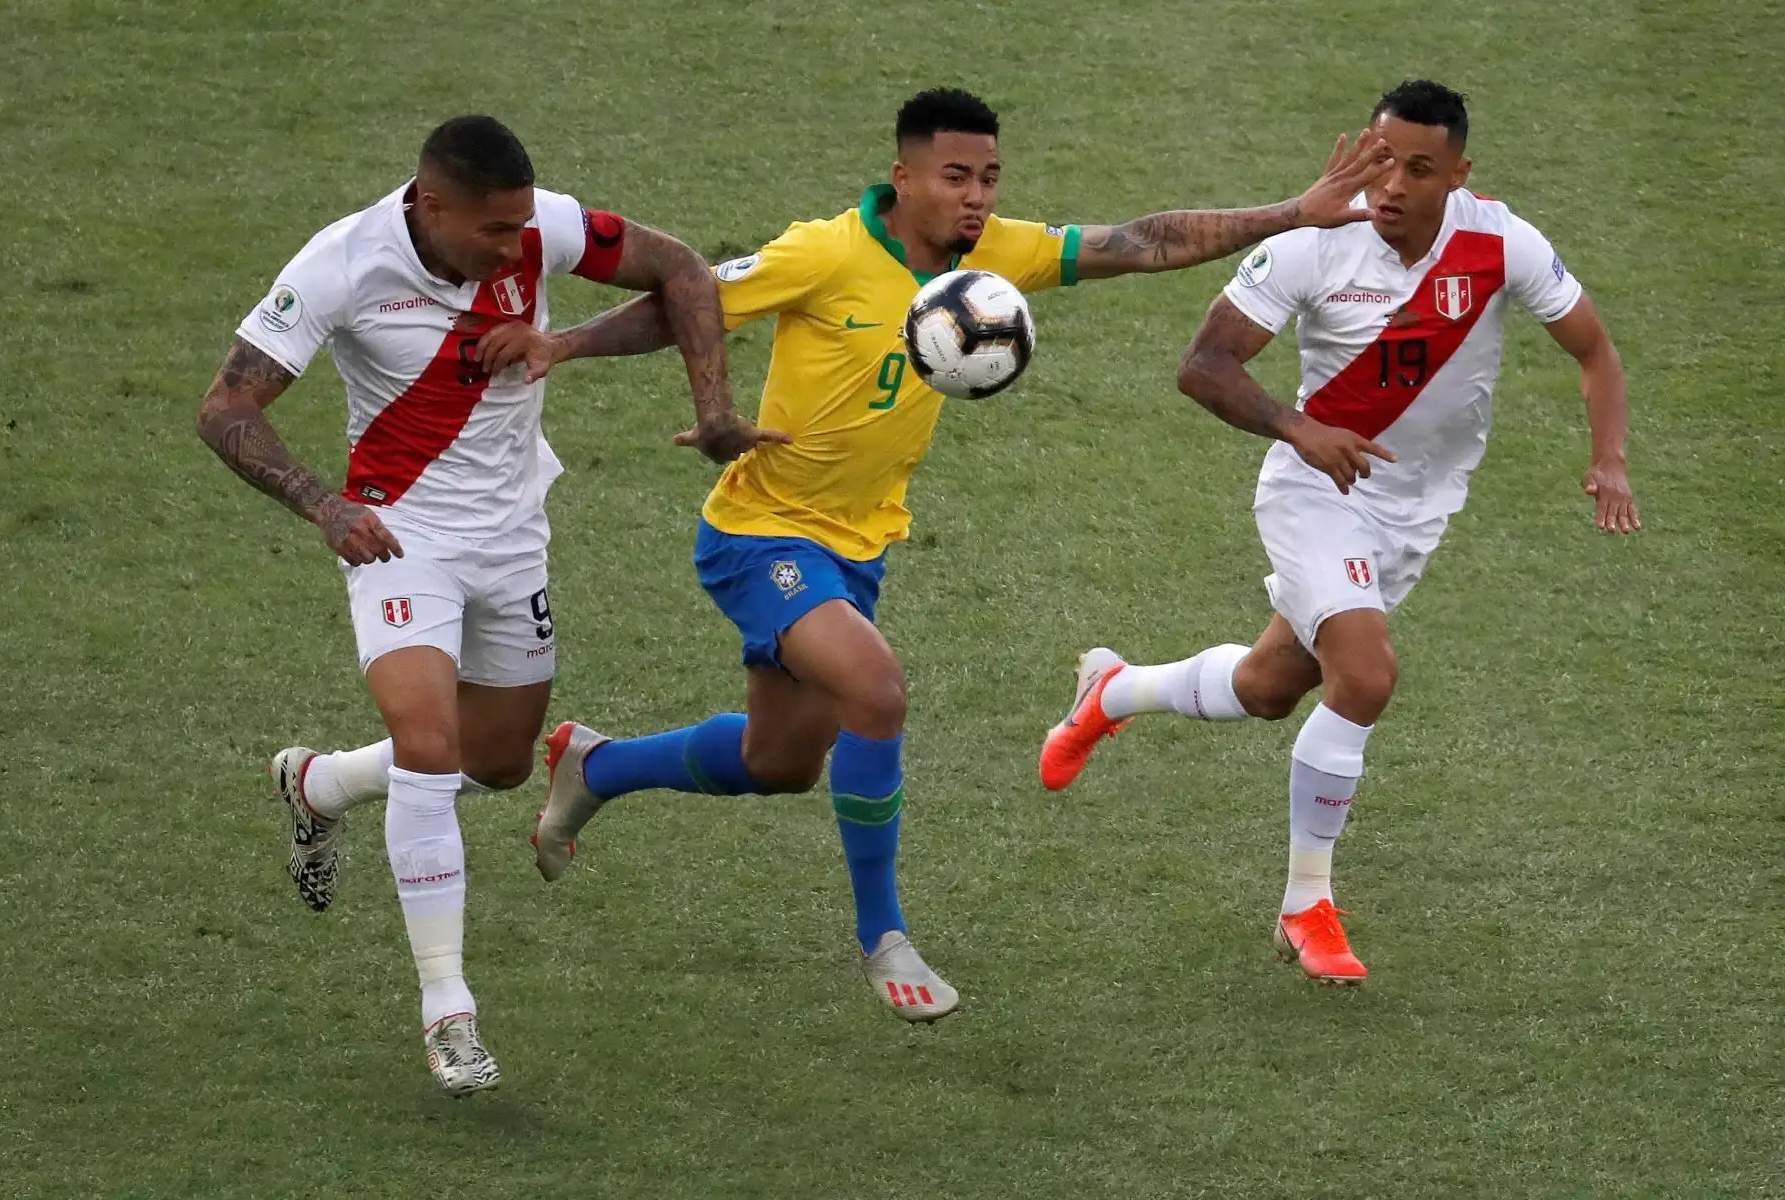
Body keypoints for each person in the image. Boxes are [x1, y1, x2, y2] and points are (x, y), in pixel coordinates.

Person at [478, 86, 1391, 1022]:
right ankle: (884, 936)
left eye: (990, 178)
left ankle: (596, 766)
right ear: (902, 177)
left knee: (780, 761)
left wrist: (1292, 211)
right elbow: (690, 298)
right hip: (761, 534)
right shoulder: (824, 253)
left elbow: (1140, 241)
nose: (977, 197)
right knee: (876, 692)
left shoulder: (992, 260)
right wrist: (569, 346)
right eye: (956, 177)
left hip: (858, 546)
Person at [197, 114, 774, 1093]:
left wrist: (710, 407)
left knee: (498, 762)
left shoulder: (541, 224)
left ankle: (321, 786)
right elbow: (225, 407)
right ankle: (448, 1012)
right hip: (397, 538)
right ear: (430, 206)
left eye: (522, 228)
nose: (518, 249)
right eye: (495, 232)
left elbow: (684, 272)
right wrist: (324, 505)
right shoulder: (344, 263)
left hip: (512, 539)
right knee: (429, 747)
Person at [1040, 80, 1639, 986]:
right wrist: (1299, 429)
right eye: (1382, 159)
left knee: (1270, 686)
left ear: (1458, 175)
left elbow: (1593, 347)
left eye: (1419, 169)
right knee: (1365, 675)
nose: (1391, 184)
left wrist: (1611, 459)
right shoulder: (1316, 240)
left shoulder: (1500, 242)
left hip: (1415, 510)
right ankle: (1304, 905)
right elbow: (1202, 366)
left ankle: (1114, 690)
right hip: (1315, 489)